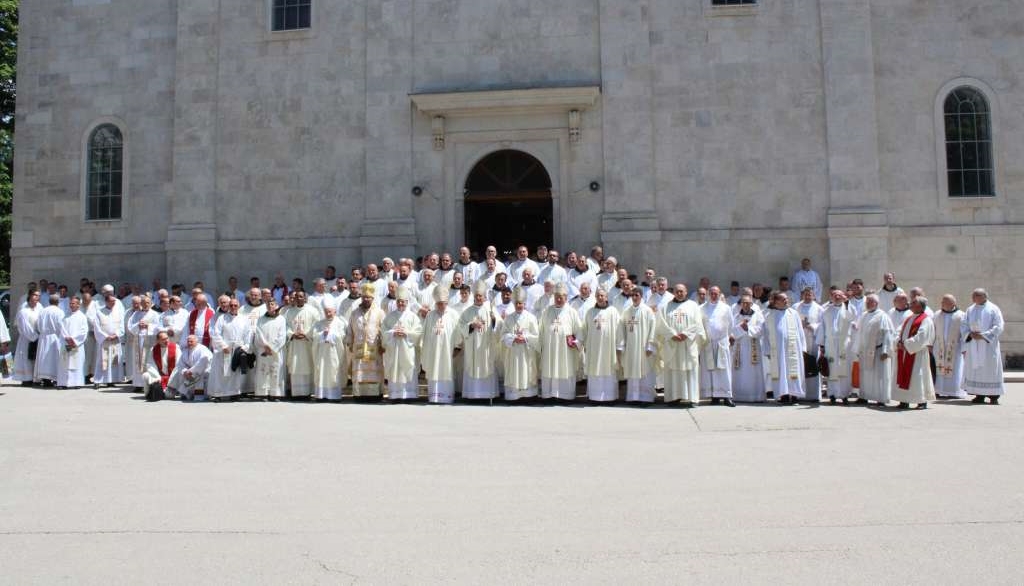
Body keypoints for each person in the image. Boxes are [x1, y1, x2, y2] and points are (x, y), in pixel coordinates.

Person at [657, 284, 706, 407]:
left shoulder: (693, 306)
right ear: (673, 292)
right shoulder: (665, 306)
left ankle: (692, 398)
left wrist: (686, 334)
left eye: (682, 291)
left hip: (687, 344)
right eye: (677, 291)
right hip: (672, 343)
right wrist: (672, 335)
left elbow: (698, 323)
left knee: (690, 370)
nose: (679, 293)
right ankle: (673, 397)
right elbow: (661, 324)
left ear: (686, 292)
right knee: (672, 371)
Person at [457, 281, 502, 401]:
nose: (478, 298)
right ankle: (472, 395)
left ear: (484, 297)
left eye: (480, 296)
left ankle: (488, 395)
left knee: (487, 366)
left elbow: (499, 327)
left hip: (486, 347)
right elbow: (461, 326)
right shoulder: (467, 311)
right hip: (472, 347)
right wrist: (471, 325)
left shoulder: (490, 310)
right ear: (474, 296)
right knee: (472, 366)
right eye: (476, 295)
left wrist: (493, 321)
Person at [538, 282, 583, 401]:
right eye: (556, 296)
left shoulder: (571, 312)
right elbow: (540, 330)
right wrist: (540, 346)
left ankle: (565, 396)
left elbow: (579, 330)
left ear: (566, 298)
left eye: (561, 297)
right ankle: (549, 395)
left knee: (565, 368)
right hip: (550, 349)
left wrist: (576, 342)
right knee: (549, 368)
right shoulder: (547, 311)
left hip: (566, 350)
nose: (558, 299)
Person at [961, 289, 1005, 404]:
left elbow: (998, 326)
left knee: (990, 369)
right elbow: (964, 324)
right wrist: (969, 334)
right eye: (973, 295)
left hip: (988, 345)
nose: (973, 297)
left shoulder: (993, 309)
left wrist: (984, 336)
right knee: (976, 369)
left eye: (976, 295)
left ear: (984, 296)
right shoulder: (970, 309)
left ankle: (993, 396)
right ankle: (979, 395)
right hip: (974, 344)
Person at [762, 291, 806, 404]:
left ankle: (794, 395)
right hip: (778, 351)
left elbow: (800, 332)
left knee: (793, 370)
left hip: (793, 349)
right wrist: (767, 350)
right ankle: (784, 395)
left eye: (787, 299)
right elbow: (765, 335)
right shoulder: (769, 315)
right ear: (776, 302)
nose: (786, 301)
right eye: (783, 299)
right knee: (781, 372)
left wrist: (803, 348)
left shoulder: (793, 313)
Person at [580, 287, 622, 403]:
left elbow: (619, 329)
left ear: (606, 297)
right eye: (598, 295)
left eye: (602, 295)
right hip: (594, 348)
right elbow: (584, 329)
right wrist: (581, 342)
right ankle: (595, 397)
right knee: (595, 370)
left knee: (609, 370)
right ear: (595, 297)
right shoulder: (590, 312)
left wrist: (619, 346)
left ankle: (610, 397)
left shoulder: (613, 311)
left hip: (609, 348)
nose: (600, 298)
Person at [381, 287, 423, 401]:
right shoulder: (390, 316)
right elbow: (383, 331)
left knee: (407, 369)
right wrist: (393, 333)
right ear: (396, 302)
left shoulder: (413, 316)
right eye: (399, 301)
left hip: (407, 350)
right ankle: (395, 395)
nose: (400, 303)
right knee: (395, 369)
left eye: (403, 302)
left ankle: (409, 395)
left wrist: (406, 333)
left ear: (407, 302)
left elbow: (418, 332)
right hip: (394, 350)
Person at [499, 287, 540, 401]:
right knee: (514, 372)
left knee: (527, 371)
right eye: (516, 303)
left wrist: (525, 338)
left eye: (520, 303)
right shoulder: (509, 318)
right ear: (513, 303)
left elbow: (537, 337)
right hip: (514, 353)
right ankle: (514, 396)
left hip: (527, 353)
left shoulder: (531, 318)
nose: (518, 305)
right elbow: (503, 335)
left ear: (524, 303)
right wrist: (513, 338)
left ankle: (529, 396)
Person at [894, 297, 935, 409]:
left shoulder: (926, 320)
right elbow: (899, 331)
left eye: (913, 303)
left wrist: (906, 344)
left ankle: (921, 401)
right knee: (904, 376)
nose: (910, 305)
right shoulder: (908, 318)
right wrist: (898, 341)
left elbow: (922, 337)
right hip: (904, 352)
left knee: (918, 376)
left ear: (920, 306)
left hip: (917, 353)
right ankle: (904, 400)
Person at [346, 283, 387, 398]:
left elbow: (383, 329)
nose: (366, 299)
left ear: (372, 298)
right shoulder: (354, 313)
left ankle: (375, 394)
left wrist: (383, 344)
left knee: (374, 371)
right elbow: (349, 329)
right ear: (361, 298)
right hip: (358, 346)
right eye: (364, 297)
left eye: (369, 297)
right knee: (360, 371)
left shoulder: (379, 312)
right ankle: (359, 394)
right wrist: (349, 341)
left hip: (374, 346)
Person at [421, 286, 460, 404]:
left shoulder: (453, 314)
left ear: (446, 302)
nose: (440, 306)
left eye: (442, 303)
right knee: (434, 369)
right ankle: (434, 396)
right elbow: (425, 334)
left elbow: (458, 331)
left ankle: (446, 396)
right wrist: (425, 347)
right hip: (433, 350)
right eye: (438, 303)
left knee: (446, 369)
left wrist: (457, 346)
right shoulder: (430, 315)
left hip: (448, 350)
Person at [855, 294, 895, 406]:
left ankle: (880, 398)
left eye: (870, 302)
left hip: (878, 351)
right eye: (867, 301)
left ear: (876, 303)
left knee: (879, 375)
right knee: (865, 375)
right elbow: (860, 333)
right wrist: (858, 348)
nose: (867, 303)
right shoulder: (864, 315)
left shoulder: (882, 316)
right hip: (865, 351)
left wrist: (886, 350)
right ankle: (864, 396)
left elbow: (888, 333)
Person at [621, 287, 658, 404]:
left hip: (644, 348)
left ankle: (645, 398)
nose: (634, 297)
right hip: (631, 348)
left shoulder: (647, 311)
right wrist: (623, 345)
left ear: (641, 296)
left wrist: (650, 346)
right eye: (633, 295)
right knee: (632, 371)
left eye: (637, 295)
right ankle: (633, 397)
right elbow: (622, 329)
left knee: (645, 372)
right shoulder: (627, 311)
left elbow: (653, 328)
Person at [817, 290, 854, 404]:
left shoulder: (848, 308)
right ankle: (832, 394)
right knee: (832, 368)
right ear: (831, 297)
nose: (837, 297)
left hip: (844, 343)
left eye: (839, 295)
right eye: (834, 295)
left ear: (843, 297)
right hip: (830, 343)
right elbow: (822, 327)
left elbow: (851, 318)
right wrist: (822, 345)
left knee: (844, 368)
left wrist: (847, 304)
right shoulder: (826, 310)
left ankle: (844, 395)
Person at [700, 286, 735, 406]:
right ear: (708, 294)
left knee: (723, 370)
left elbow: (731, 324)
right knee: (711, 370)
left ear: (720, 294)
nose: (714, 296)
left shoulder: (726, 308)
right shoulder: (702, 308)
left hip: (721, 342)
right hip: (708, 343)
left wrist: (725, 337)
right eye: (711, 293)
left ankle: (726, 396)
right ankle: (714, 396)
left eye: (716, 293)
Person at [283, 291, 320, 399]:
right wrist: (292, 334)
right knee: (295, 366)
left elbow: (317, 325)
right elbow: (285, 326)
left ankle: (307, 392)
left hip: (307, 344)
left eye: (301, 296)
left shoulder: (313, 311)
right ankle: (296, 392)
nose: (298, 298)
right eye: (296, 297)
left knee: (307, 365)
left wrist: (306, 334)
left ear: (305, 298)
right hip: (294, 345)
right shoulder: (289, 312)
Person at [731, 295, 765, 403]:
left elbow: (761, 330)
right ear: (740, 304)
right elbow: (732, 331)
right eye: (743, 302)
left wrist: (748, 328)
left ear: (751, 304)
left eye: (748, 303)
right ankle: (739, 396)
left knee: (753, 371)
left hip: (753, 345)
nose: (745, 305)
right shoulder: (736, 316)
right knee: (740, 371)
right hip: (739, 347)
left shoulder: (758, 315)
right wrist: (741, 328)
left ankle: (755, 396)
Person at [932, 294, 967, 399]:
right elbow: (932, 329)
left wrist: (965, 348)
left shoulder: (961, 315)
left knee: (956, 369)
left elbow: (965, 333)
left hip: (955, 348)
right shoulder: (937, 314)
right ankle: (938, 390)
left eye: (945, 302)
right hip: (939, 347)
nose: (942, 304)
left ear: (953, 303)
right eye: (942, 302)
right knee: (938, 370)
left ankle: (954, 391)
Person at [252, 300, 288, 400]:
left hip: (276, 351)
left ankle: (275, 393)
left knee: (276, 371)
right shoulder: (261, 319)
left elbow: (282, 336)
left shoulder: (281, 319)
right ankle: (263, 393)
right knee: (263, 370)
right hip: (263, 350)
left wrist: (272, 348)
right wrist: (265, 346)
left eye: (272, 304)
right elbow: (258, 332)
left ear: (276, 306)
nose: (270, 306)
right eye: (268, 304)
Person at [312, 306, 349, 401]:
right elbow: (314, 335)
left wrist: (330, 334)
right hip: (322, 354)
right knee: (322, 371)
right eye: (326, 312)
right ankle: (321, 395)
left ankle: (334, 396)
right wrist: (322, 335)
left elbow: (342, 335)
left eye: (330, 312)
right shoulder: (319, 323)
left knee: (333, 371)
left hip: (334, 353)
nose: (328, 314)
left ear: (335, 311)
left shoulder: (340, 323)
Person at [126, 296, 160, 392]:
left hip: (150, 340)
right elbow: (130, 326)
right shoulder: (136, 314)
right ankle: (138, 384)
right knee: (138, 361)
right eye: (143, 303)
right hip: (138, 339)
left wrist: (148, 325)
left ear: (151, 303)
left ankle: (149, 383)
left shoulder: (155, 314)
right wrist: (138, 325)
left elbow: (158, 327)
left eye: (147, 302)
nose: (145, 304)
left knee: (148, 361)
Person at [91, 293, 124, 388]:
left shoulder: (118, 312)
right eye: (112, 301)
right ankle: (98, 380)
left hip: (115, 340)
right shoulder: (99, 312)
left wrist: (116, 334)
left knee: (113, 361)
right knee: (102, 360)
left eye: (114, 301)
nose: (114, 303)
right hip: (104, 341)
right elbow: (97, 327)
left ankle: (111, 380)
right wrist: (105, 336)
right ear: (106, 301)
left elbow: (121, 326)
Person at [167, 335, 213, 402]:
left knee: (198, 377)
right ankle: (186, 394)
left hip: (203, 372)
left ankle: (200, 396)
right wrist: (185, 371)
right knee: (178, 372)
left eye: (191, 341)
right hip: (190, 373)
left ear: (197, 341)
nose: (189, 343)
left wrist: (191, 371)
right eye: (188, 341)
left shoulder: (203, 349)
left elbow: (204, 360)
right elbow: (180, 364)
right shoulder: (185, 351)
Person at [56, 296, 89, 389]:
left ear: (79, 304)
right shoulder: (65, 316)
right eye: (70, 303)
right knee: (65, 363)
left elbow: (84, 331)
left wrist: (73, 339)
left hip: (76, 344)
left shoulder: (82, 316)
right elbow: (62, 328)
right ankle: (63, 383)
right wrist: (67, 338)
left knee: (76, 363)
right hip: (66, 343)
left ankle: (76, 383)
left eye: (73, 303)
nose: (71, 305)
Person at [33, 294, 65, 386]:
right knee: (54, 358)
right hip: (54, 337)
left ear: (49, 301)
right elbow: (61, 326)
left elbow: (38, 325)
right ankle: (55, 378)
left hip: (43, 337)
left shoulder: (42, 311)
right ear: (58, 302)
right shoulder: (59, 312)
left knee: (43, 358)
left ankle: (45, 378)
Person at [143, 330, 178, 399]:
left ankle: (163, 392)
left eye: (167, 338)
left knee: (168, 396)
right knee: (145, 375)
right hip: (159, 376)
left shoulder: (176, 348)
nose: (166, 341)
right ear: (158, 341)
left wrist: (171, 378)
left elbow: (178, 365)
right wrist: (157, 377)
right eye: (163, 339)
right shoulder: (154, 349)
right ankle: (149, 393)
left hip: (173, 377)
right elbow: (151, 365)